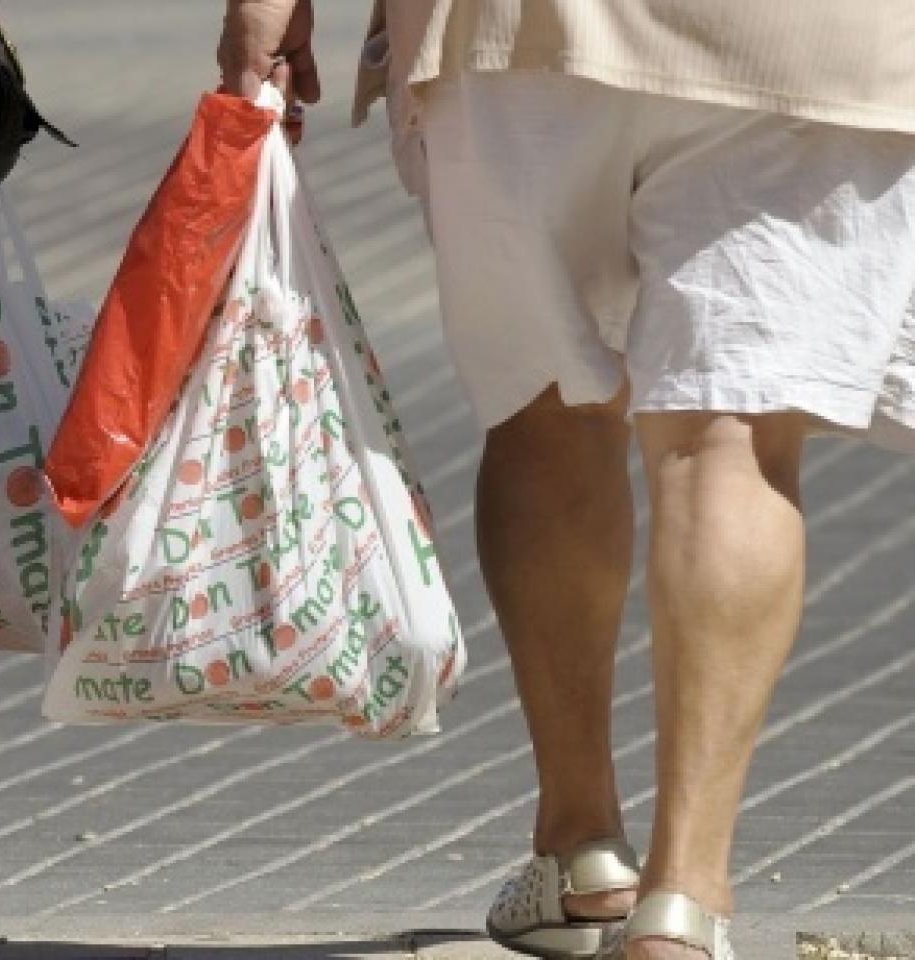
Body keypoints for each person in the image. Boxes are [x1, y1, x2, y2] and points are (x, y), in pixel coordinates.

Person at [220, 2, 915, 959]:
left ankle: (581, 845)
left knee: (546, 407)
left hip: (523, 33)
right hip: (810, 37)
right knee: (730, 435)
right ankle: (685, 895)